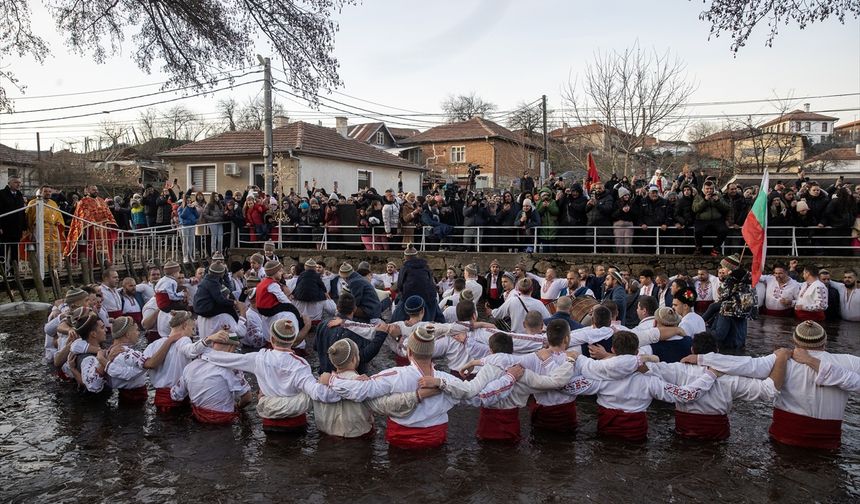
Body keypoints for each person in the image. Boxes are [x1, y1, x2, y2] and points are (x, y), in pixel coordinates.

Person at [689, 321, 860, 449]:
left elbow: (745, 365)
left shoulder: (782, 360)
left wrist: (702, 358)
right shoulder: (848, 362)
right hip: (828, 443)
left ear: (795, 341)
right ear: (825, 342)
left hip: (786, 438)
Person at [325, 326, 465, 449]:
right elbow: (471, 393)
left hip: (401, 439)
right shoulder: (448, 380)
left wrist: (332, 380)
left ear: (409, 352)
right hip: (436, 438)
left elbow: (361, 391)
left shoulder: (395, 375)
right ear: (432, 353)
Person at [645, 332, 785, 440]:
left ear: (692, 350)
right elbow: (767, 391)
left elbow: (649, 368)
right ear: (717, 351)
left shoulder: (677, 369)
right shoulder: (729, 378)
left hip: (683, 433)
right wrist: (781, 359)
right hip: (717, 436)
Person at [170, 330, 253, 424]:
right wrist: (238, 406)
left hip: (198, 420)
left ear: (213, 344)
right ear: (231, 347)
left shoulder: (190, 366)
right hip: (223, 423)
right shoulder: (232, 369)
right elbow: (247, 398)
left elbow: (175, 395)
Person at [315, 293, 395, 375]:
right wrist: (380, 336)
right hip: (347, 378)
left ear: (337, 308)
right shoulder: (355, 332)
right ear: (354, 309)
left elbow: (316, 347)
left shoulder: (322, 324)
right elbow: (363, 357)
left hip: (325, 374)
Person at [144, 311, 207, 412]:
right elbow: (191, 352)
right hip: (178, 397)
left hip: (159, 397)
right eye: (192, 328)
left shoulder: (154, 344)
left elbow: (145, 364)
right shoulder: (185, 340)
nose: (192, 333)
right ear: (184, 325)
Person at [64, 185, 118, 264]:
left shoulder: (101, 200)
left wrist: (110, 222)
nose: (96, 191)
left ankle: (106, 263)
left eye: (96, 190)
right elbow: (82, 215)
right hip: (91, 228)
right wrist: (94, 221)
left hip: (104, 228)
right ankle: (92, 263)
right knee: (92, 247)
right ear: (88, 191)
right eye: (93, 190)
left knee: (105, 248)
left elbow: (108, 213)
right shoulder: (83, 202)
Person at [393, 245, 441, 322]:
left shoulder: (405, 268)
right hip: (428, 296)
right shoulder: (426, 266)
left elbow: (399, 285)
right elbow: (431, 281)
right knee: (437, 313)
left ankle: (395, 323)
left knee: (396, 317)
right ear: (416, 255)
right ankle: (440, 321)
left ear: (405, 257)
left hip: (409, 297)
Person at [23, 186, 65, 269]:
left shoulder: (53, 203)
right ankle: (40, 269)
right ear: (40, 192)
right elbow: (28, 217)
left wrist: (58, 222)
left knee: (53, 249)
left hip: (52, 231)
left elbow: (59, 216)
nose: (48, 193)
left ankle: (53, 268)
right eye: (45, 191)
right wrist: (30, 231)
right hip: (39, 230)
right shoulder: (33, 202)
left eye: (50, 191)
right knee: (39, 249)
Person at [692, 180, 730, 256]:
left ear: (713, 189)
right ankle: (698, 248)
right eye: (707, 189)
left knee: (724, 230)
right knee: (698, 231)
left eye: (711, 189)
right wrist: (705, 200)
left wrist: (718, 201)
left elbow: (726, 208)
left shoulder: (718, 196)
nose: (709, 190)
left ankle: (716, 248)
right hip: (702, 219)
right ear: (704, 189)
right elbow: (695, 209)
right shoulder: (698, 196)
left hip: (717, 219)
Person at [0, 176, 26, 268]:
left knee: (15, 252)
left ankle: (13, 271)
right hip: (4, 228)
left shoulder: (19, 194)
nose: (18, 184)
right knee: (3, 251)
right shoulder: (2, 194)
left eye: (19, 182)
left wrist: (23, 227)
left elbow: (22, 212)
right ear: (9, 183)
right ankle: (2, 272)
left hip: (16, 229)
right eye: (16, 182)